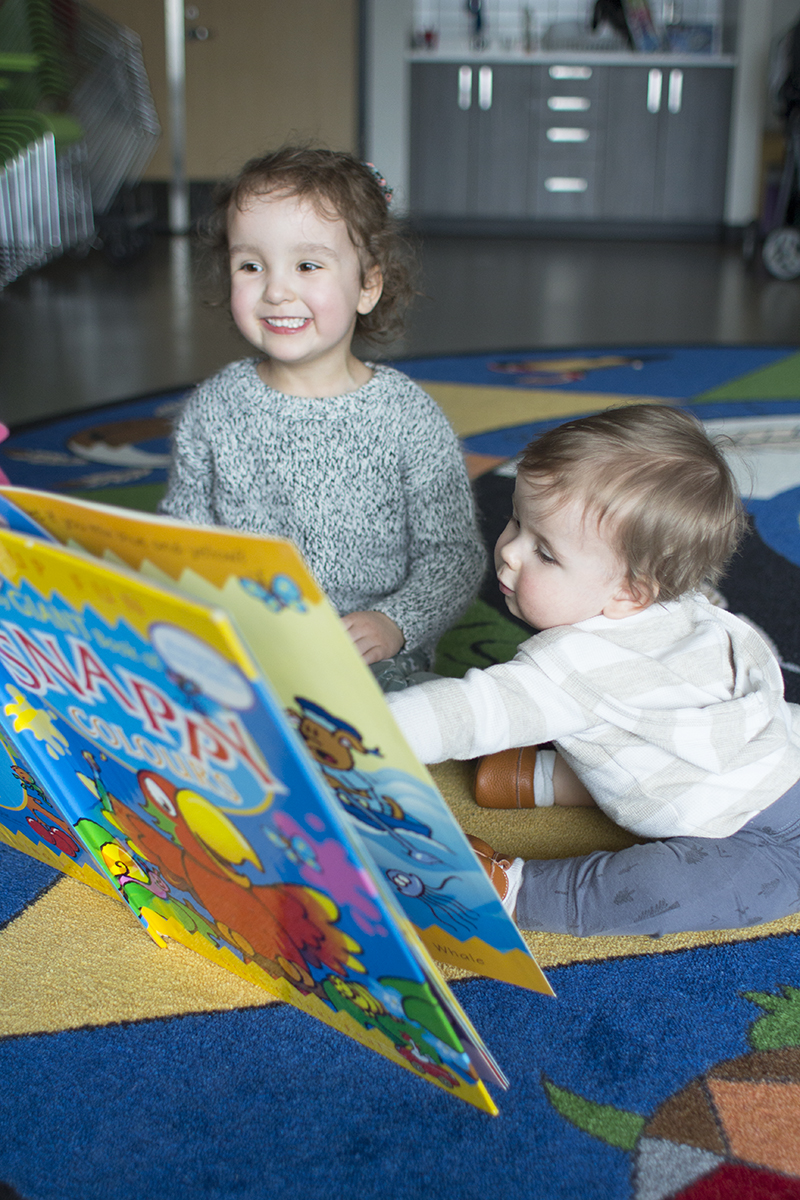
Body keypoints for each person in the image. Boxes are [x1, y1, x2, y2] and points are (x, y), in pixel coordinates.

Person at [386, 404, 800, 937]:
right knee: (702, 869)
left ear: (631, 593)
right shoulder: (667, 617)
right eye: (517, 522)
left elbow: (468, 713)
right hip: (766, 784)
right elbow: (469, 711)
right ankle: (524, 834)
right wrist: (359, 731)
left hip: (760, 804)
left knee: (682, 877)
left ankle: (525, 830)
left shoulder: (579, 669)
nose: (510, 553)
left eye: (545, 553)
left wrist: (364, 730)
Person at [159, 146, 485, 688]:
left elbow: (452, 556)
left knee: (401, 716)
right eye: (250, 266)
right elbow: (182, 537)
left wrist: (395, 623)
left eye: (307, 265)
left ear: (367, 286)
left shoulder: (406, 417)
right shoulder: (214, 408)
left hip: (369, 657)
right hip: (249, 645)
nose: (276, 290)